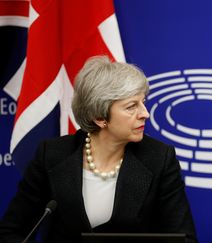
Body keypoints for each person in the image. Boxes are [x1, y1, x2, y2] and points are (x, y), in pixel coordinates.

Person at [0, 56, 197, 243]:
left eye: (143, 103)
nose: (145, 114)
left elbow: (185, 238)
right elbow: (11, 233)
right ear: (99, 117)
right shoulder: (51, 155)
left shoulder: (159, 158)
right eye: (131, 107)